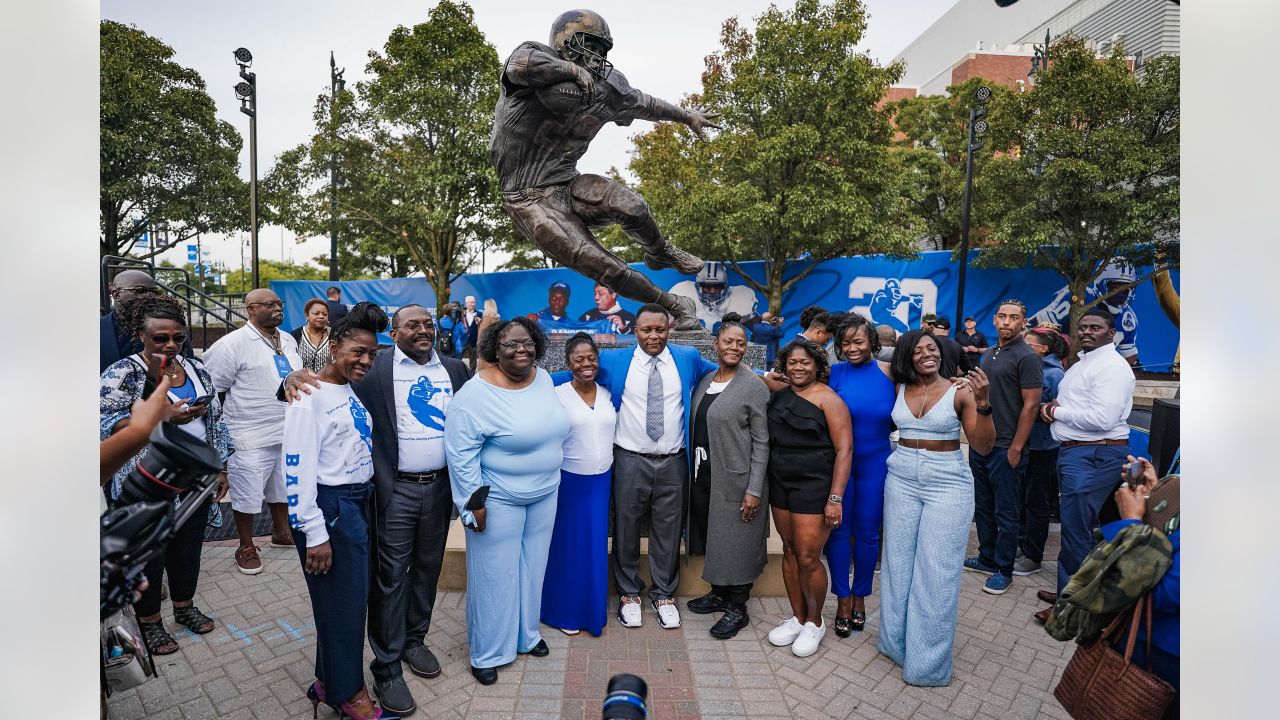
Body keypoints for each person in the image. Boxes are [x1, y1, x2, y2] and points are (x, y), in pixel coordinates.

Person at [492, 10, 719, 331]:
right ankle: (675, 305)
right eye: (590, 45)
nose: (596, 55)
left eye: (602, 49)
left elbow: (645, 103)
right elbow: (519, 65)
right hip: (527, 197)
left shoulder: (607, 86)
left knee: (633, 206)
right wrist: (569, 68)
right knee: (600, 262)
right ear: (564, 41)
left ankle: (659, 252)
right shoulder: (535, 58)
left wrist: (686, 116)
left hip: (566, 182)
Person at [553, 303, 718, 630]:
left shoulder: (687, 358)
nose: (654, 336)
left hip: (673, 460)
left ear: (669, 329)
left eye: (660, 329)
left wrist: (768, 378)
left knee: (669, 532)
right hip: (629, 460)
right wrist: (525, 378)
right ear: (635, 331)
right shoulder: (615, 360)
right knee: (626, 528)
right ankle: (629, 594)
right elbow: (571, 372)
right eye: (647, 330)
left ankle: (664, 594)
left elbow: (725, 370)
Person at [99, 294, 231, 656]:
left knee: (188, 550)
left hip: (194, 481)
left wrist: (220, 467)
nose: (171, 345)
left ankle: (185, 608)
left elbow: (216, 419)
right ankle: (151, 623)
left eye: (177, 337)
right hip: (146, 479)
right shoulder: (123, 373)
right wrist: (160, 417)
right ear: (141, 336)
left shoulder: (197, 369)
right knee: (149, 556)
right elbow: (100, 421)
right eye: (161, 338)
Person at [444, 317, 570, 685]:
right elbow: (461, 455)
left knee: (533, 569)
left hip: (546, 492)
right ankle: (488, 652)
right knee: (493, 576)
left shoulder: (544, 378)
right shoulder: (474, 395)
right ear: (493, 351)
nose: (521, 350)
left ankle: (526, 636)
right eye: (511, 345)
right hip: (498, 498)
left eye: (528, 343)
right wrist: (472, 505)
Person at [362, 305, 471, 714]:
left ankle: (413, 640)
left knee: (428, 567)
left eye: (428, 323)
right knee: (391, 576)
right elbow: (331, 383)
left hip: (440, 487)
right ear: (394, 332)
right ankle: (386, 666)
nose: (423, 330)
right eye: (413, 325)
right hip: (397, 490)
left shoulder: (455, 368)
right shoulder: (377, 366)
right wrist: (291, 380)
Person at [282, 302, 389, 720]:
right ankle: (349, 696)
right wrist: (315, 532)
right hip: (330, 510)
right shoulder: (307, 397)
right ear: (333, 348)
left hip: (357, 505)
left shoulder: (348, 390)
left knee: (344, 605)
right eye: (357, 351)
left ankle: (326, 682)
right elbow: (296, 470)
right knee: (342, 610)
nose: (364, 360)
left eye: (371, 353)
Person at [878, 330, 994, 687]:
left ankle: (926, 665)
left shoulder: (961, 391)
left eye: (932, 348)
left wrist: (984, 402)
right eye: (917, 350)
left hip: (947, 482)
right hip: (900, 477)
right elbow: (857, 360)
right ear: (905, 357)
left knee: (937, 572)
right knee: (896, 565)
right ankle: (895, 645)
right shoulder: (896, 384)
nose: (926, 353)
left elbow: (983, 446)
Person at [1038, 308, 1136, 608]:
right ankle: (1069, 592)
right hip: (1080, 452)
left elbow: (1102, 418)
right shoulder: (1085, 363)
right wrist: (1057, 408)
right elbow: (1080, 404)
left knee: (1077, 529)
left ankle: (1070, 608)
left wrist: (1055, 412)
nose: (1086, 331)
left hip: (1094, 453)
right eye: (1083, 327)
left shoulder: (1112, 367)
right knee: (1078, 527)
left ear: (1111, 333)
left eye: (1095, 327)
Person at [203, 288, 303, 574]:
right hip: (248, 433)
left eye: (279, 303)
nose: (278, 308)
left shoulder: (287, 340)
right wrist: (218, 440)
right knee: (247, 493)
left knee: (283, 485)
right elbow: (213, 391)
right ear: (250, 310)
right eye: (269, 304)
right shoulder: (232, 344)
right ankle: (245, 545)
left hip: (286, 429)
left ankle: (282, 533)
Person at [683, 314, 770, 640]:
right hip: (705, 475)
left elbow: (762, 442)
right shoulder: (706, 382)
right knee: (715, 537)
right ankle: (719, 593)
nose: (734, 347)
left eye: (741, 343)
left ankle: (738, 607)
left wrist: (754, 489)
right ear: (716, 343)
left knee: (738, 541)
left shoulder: (752, 386)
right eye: (728, 341)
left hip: (738, 479)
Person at [764, 338, 852, 658]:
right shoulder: (780, 393)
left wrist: (835, 498)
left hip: (815, 486)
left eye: (805, 363)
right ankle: (798, 617)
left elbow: (845, 450)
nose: (798, 368)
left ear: (817, 365)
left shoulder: (829, 400)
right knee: (789, 551)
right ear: (784, 366)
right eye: (792, 363)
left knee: (808, 557)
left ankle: (815, 622)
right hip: (780, 484)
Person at [963, 299, 1042, 595]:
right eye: (1002, 317)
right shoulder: (992, 354)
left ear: (1024, 322)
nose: (1007, 322)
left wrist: (1017, 448)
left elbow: (1032, 405)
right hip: (983, 444)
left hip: (1007, 446)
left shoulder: (1027, 356)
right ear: (994, 320)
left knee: (1006, 511)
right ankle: (987, 557)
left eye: (1014, 318)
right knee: (983, 506)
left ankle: (1004, 568)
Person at [823, 314, 895, 637]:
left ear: (872, 343)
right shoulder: (832, 374)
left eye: (858, 341)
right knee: (838, 531)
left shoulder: (889, 374)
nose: (851, 348)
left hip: (876, 464)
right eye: (845, 342)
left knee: (868, 534)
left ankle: (860, 597)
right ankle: (841, 599)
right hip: (840, 466)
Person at [541, 333, 617, 637]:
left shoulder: (609, 391)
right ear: (568, 363)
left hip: (602, 480)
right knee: (568, 548)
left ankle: (590, 611)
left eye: (591, 358)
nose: (586, 364)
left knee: (595, 547)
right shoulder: (556, 393)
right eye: (578, 359)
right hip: (568, 481)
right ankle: (563, 611)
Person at [1019, 328, 1068, 587]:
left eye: (1029, 343)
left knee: (1037, 502)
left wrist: (1024, 407)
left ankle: (1033, 555)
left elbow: (1055, 410)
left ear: (1043, 349)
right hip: (1028, 444)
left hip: (1043, 447)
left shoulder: (1055, 374)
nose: (1023, 346)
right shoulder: (1033, 368)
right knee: (1024, 498)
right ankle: (1023, 545)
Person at [101, 269, 193, 371]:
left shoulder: (171, 330)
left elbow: (188, 370)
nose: (150, 296)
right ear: (116, 294)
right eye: (140, 290)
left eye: (154, 292)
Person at [667, 261, 760, 331]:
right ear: (698, 286)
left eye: (717, 286)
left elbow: (759, 329)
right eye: (707, 286)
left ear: (725, 286)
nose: (712, 291)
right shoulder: (683, 292)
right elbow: (665, 325)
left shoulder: (740, 298)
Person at [291, 298, 332, 374]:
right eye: (316, 313)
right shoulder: (295, 336)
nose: (321, 316)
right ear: (307, 315)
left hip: (329, 384)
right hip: (302, 384)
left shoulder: (335, 335)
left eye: (325, 314)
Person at [461, 295, 482, 369]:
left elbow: (481, 327)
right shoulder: (461, 313)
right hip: (463, 340)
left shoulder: (479, 314)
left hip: (473, 340)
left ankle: (471, 377)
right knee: (458, 359)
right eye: (471, 302)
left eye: (474, 302)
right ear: (466, 303)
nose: (473, 304)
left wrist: (479, 322)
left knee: (473, 362)